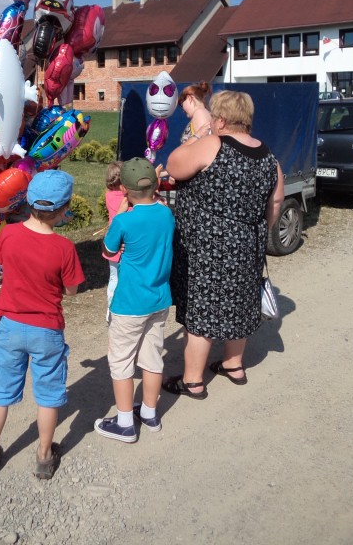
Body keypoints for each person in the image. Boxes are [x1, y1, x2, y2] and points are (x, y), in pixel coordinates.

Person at [163, 90, 284, 398]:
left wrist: (196, 136)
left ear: (220, 120)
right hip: (248, 243)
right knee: (239, 302)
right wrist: (256, 232)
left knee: (201, 310)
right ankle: (233, 364)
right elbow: (275, 203)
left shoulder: (213, 144)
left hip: (206, 246)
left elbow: (173, 166)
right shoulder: (269, 156)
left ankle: (193, 380)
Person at [0, 170, 85, 481]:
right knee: (48, 395)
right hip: (46, 330)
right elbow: (72, 290)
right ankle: (44, 456)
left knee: (1, 391)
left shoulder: (8, 234)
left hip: (10, 326)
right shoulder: (64, 248)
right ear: (64, 210)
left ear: (28, 201)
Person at [94, 158, 175, 443]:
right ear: (155, 185)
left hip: (129, 303)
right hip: (159, 299)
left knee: (121, 361)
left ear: (124, 189)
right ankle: (150, 413)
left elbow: (108, 251)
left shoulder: (124, 220)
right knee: (152, 357)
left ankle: (125, 422)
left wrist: (118, 213)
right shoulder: (166, 214)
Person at [103, 161, 129, 321]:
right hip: (126, 245)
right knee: (126, 278)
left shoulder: (108, 196)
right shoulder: (129, 198)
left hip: (112, 243)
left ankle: (110, 309)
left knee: (113, 278)